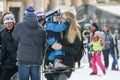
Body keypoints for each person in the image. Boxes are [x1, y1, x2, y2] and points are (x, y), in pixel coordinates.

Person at [12, 6, 46, 80]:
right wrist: (41, 58)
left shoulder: (20, 26)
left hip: (23, 59)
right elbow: (43, 45)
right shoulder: (41, 29)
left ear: (25, 15)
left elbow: (14, 37)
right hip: (36, 60)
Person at [52, 11, 82, 80]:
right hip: (56, 61)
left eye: (64, 19)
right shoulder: (61, 29)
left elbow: (75, 50)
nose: (62, 20)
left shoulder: (76, 32)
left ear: (70, 20)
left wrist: (61, 47)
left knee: (61, 78)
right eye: (62, 18)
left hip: (67, 62)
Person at [0, 13, 18, 80]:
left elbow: (22, 47)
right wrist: (1, 60)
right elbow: (3, 50)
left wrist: (19, 59)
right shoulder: (3, 34)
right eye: (6, 23)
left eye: (10, 23)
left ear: (13, 23)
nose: (8, 25)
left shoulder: (18, 32)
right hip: (8, 62)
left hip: (18, 62)